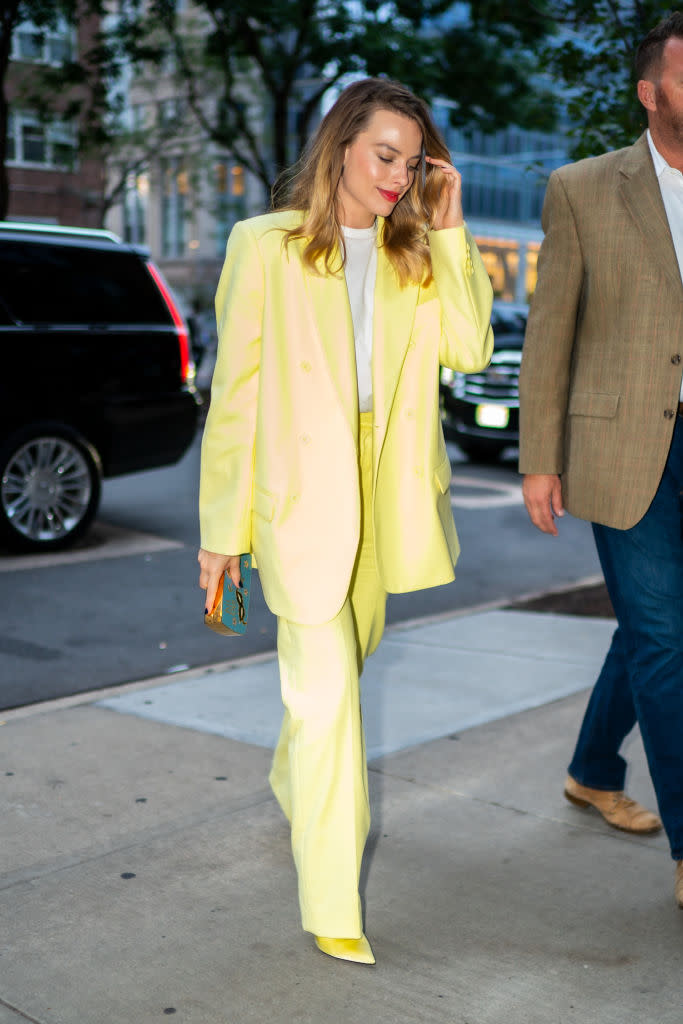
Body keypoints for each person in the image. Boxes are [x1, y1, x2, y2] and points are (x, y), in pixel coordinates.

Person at [198, 77, 494, 963]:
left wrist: (448, 224)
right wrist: (223, 534)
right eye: (383, 155)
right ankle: (333, 902)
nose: (398, 174)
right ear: (340, 147)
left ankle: (291, 774)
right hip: (298, 502)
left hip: (388, 492)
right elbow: (235, 401)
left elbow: (471, 347)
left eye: (412, 160)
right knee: (329, 704)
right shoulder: (265, 246)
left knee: (341, 676)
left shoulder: (413, 256)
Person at [519, 13, 683, 908]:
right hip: (624, 445)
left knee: (650, 629)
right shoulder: (581, 188)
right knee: (666, 643)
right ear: (648, 92)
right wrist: (539, 457)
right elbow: (551, 332)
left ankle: (589, 767)